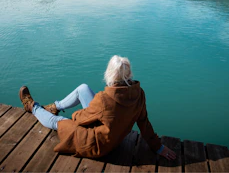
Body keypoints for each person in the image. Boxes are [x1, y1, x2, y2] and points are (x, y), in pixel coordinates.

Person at [19, 55, 176, 160]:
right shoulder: (138, 94)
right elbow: (144, 123)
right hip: (113, 134)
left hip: (97, 145)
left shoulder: (104, 99)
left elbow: (79, 118)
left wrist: (75, 116)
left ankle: (32, 107)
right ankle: (55, 106)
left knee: (58, 121)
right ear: (129, 75)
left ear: (110, 74)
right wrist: (158, 147)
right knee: (83, 88)